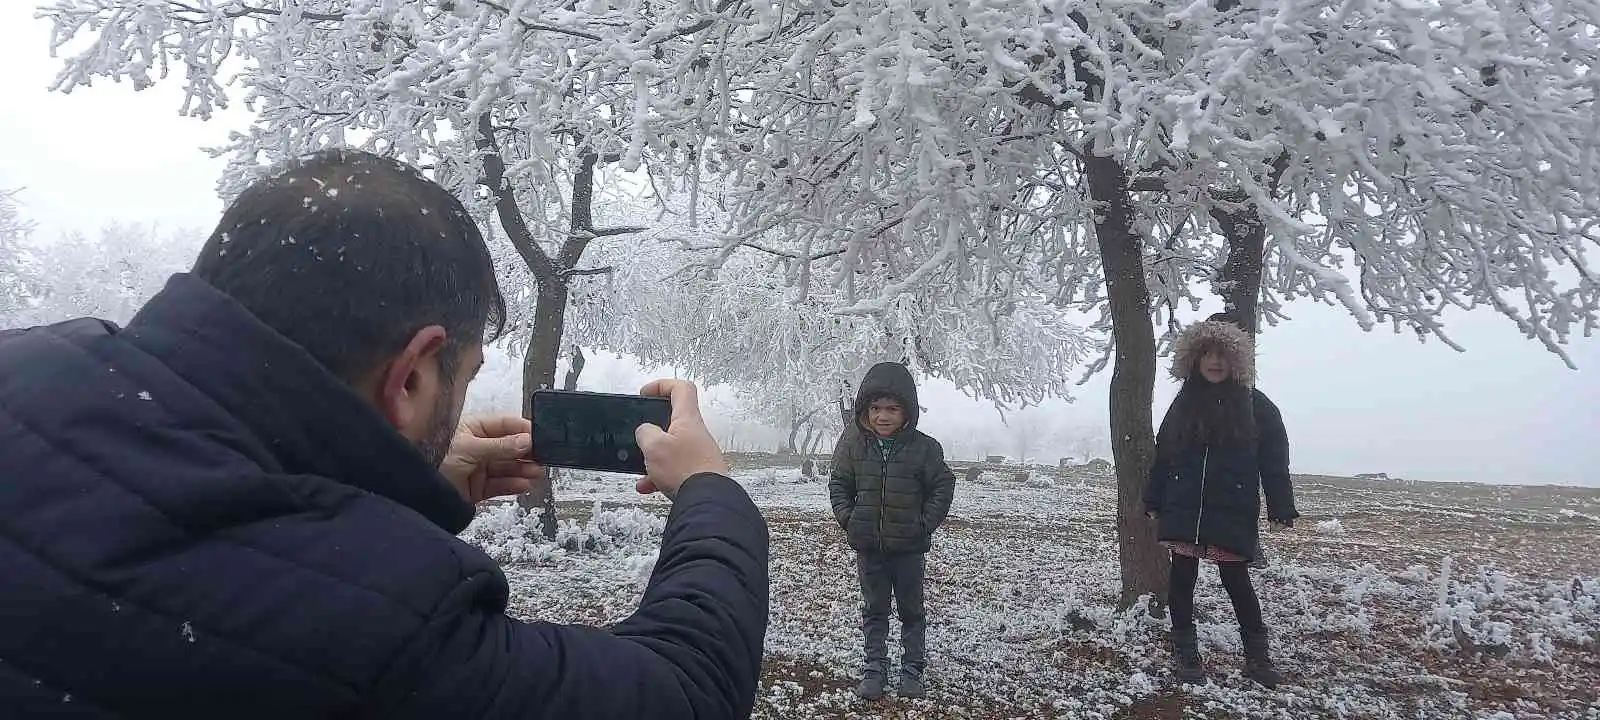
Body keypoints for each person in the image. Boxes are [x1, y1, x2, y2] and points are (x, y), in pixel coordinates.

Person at [0, 149, 769, 718]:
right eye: (462, 377)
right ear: (411, 377)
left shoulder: (28, 362)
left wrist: (403, 486)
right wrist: (711, 492)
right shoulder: (392, 628)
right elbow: (684, 691)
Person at [1143, 318, 1298, 688]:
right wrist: (1154, 498)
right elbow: (1164, 456)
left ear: (1236, 361)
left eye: (1223, 355)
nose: (1215, 361)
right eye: (1207, 354)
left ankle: (1258, 660)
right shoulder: (1183, 404)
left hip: (1232, 510)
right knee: (1182, 581)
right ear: (1194, 359)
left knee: (1238, 581)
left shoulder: (1256, 405)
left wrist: (1280, 506)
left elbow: (1274, 460)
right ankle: (1186, 655)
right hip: (1184, 507)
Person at [828, 362, 957, 701]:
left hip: (909, 550)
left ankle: (912, 670)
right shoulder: (854, 445)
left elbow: (943, 486)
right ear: (865, 410)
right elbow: (840, 484)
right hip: (869, 547)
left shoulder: (925, 448)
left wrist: (923, 525)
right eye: (875, 408)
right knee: (874, 609)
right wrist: (850, 519)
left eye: (892, 409)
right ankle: (874, 668)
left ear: (906, 411)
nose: (882, 416)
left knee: (911, 611)